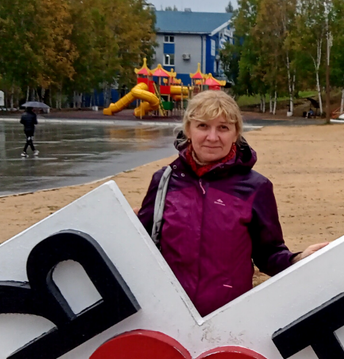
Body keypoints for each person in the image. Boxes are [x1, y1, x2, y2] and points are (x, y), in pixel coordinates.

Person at [138, 91, 328, 316]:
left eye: (223, 128)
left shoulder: (256, 187)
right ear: (188, 129)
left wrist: (297, 259)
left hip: (230, 318)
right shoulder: (164, 181)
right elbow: (139, 247)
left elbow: (268, 254)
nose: (212, 137)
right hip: (168, 315)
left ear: (236, 133)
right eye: (203, 126)